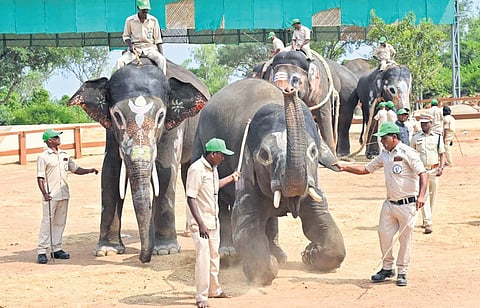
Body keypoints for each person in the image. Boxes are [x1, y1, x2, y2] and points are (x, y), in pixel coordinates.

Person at [333, 121, 428, 287]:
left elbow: (423, 174)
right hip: (390, 204)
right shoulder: (384, 155)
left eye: (384, 138)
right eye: (381, 138)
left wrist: (421, 196)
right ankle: (387, 268)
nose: (382, 141)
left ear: (394, 137)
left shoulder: (408, 153)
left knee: (405, 239)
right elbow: (366, 169)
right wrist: (345, 167)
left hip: (408, 204)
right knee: (384, 235)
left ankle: (402, 271)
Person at [185, 138, 240, 308]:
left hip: (213, 221)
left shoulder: (213, 169)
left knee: (214, 256)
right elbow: (191, 198)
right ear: (213, 154)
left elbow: (215, 187)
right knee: (203, 258)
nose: (223, 158)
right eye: (221, 155)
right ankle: (201, 296)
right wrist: (200, 223)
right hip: (201, 224)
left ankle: (214, 290)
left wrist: (231, 178)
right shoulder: (196, 170)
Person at [36, 129, 98, 264]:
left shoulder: (64, 155)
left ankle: (56, 248)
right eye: (55, 137)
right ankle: (42, 251)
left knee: (60, 222)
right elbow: (40, 177)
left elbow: (75, 169)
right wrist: (45, 193)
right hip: (51, 195)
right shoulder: (43, 157)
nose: (58, 138)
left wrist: (89, 170)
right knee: (47, 222)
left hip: (63, 194)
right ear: (49, 140)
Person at [410, 114, 446, 234]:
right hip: (421, 171)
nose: (424, 125)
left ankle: (428, 216)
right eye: (422, 123)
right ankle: (428, 221)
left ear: (431, 123)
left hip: (434, 170)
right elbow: (411, 154)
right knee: (423, 195)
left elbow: (442, 153)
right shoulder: (415, 137)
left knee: (433, 196)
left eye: (426, 123)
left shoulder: (438, 137)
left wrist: (441, 167)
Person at [116, 0, 166, 74]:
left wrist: (162, 55)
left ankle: (163, 83)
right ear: (138, 8)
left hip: (150, 49)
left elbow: (158, 40)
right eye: (143, 11)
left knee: (162, 60)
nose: (145, 13)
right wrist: (130, 46)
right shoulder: (129, 20)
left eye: (146, 11)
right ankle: (118, 84)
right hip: (136, 49)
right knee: (119, 62)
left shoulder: (154, 21)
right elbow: (126, 36)